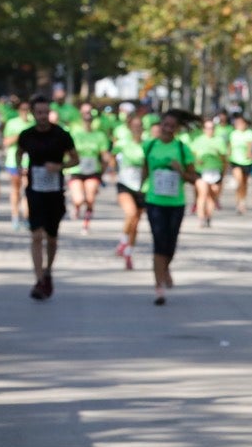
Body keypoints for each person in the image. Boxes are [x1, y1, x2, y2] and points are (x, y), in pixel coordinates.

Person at [16, 95, 79, 301]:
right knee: (36, 235)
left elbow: (75, 158)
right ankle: (39, 278)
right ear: (33, 113)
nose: (42, 116)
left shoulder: (61, 135)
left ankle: (48, 269)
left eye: (45, 112)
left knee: (51, 237)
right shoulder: (26, 135)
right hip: (34, 190)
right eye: (39, 112)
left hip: (54, 191)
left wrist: (59, 166)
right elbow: (19, 152)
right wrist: (20, 168)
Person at [137, 110, 199, 306]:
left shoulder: (182, 148)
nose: (168, 129)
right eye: (165, 125)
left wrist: (180, 171)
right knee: (158, 240)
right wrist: (140, 190)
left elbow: (194, 177)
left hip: (176, 202)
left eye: (172, 126)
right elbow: (145, 169)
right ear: (160, 125)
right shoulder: (150, 145)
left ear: (176, 129)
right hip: (154, 200)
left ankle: (165, 268)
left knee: (170, 244)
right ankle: (159, 288)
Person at [67, 104, 112, 234]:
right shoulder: (75, 134)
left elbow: (104, 154)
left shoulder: (100, 136)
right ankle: (76, 206)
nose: (88, 121)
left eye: (90, 119)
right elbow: (68, 152)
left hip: (93, 171)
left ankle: (86, 224)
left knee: (90, 198)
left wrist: (105, 165)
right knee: (79, 199)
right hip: (76, 170)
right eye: (85, 118)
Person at [112, 112, 146, 270]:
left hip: (142, 186)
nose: (137, 129)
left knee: (136, 223)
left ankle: (128, 253)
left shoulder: (148, 144)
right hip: (125, 183)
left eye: (140, 126)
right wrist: (113, 170)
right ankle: (123, 241)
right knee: (131, 213)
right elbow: (111, 156)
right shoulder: (123, 143)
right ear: (129, 127)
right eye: (134, 126)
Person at [190, 117, 227, 229]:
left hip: (216, 171)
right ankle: (201, 218)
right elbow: (192, 156)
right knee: (203, 194)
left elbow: (224, 158)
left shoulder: (219, 141)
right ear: (203, 129)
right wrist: (197, 161)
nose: (209, 130)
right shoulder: (198, 140)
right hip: (202, 171)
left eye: (211, 128)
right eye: (207, 128)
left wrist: (223, 172)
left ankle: (208, 216)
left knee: (212, 196)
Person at [1, 105, 33, 230]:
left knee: (27, 190)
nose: (25, 112)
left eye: (28, 110)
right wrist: (20, 136)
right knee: (16, 190)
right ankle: (15, 215)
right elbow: (6, 142)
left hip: (29, 161)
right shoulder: (12, 123)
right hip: (13, 161)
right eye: (23, 110)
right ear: (19, 111)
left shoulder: (33, 122)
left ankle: (26, 217)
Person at [227, 113, 252, 215]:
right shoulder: (233, 134)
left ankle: (243, 201)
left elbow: (251, 146)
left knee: (244, 183)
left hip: (247, 161)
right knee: (239, 181)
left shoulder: (250, 134)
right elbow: (230, 147)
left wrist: (250, 153)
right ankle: (238, 203)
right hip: (235, 161)